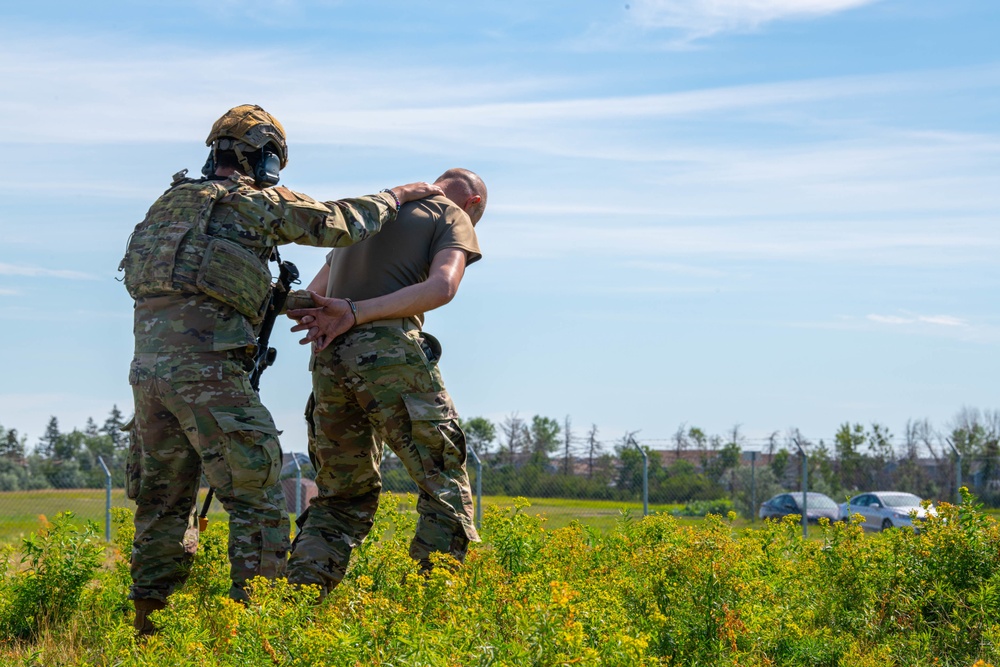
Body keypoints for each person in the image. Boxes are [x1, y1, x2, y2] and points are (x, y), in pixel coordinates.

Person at [118, 103, 441, 634]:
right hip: (211, 377)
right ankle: (257, 632)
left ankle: (150, 630)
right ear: (265, 158)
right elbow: (337, 224)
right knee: (258, 499)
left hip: (150, 379)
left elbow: (205, 281)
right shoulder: (253, 202)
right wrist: (397, 196)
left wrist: (291, 301)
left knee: (162, 504)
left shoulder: (171, 203)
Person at [283, 168, 487, 598]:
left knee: (341, 496)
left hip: (329, 361)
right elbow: (443, 285)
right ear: (472, 204)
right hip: (391, 355)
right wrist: (357, 313)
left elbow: (315, 296)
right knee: (443, 483)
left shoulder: (376, 212)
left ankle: (295, 606)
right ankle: (428, 605)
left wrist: (340, 315)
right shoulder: (452, 214)